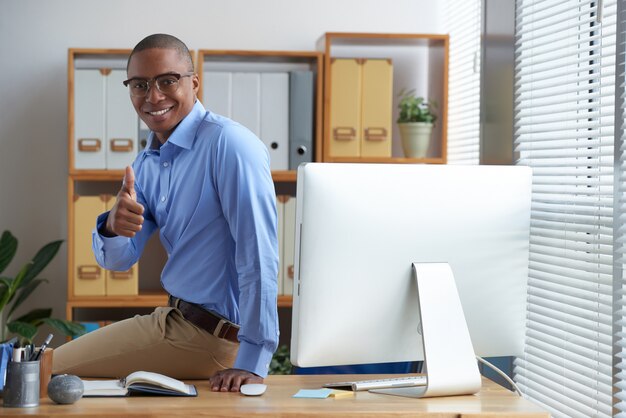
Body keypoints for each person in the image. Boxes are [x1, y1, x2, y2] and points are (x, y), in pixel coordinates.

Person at [53, 33, 280, 392]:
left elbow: (259, 257)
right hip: (175, 320)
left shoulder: (229, 145)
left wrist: (253, 362)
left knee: (46, 368)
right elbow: (118, 263)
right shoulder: (146, 164)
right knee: (48, 370)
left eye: (167, 81)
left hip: (209, 338)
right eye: (140, 84)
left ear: (194, 82)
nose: (153, 96)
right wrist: (112, 226)